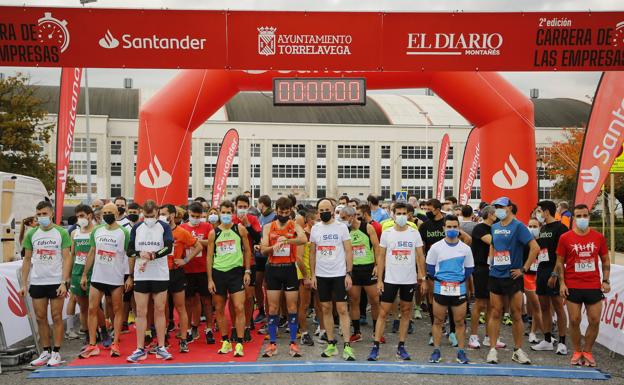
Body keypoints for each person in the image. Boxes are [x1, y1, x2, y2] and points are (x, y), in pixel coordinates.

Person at [367, 202, 426, 361]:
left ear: (409, 215)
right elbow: (381, 256)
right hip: (390, 279)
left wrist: (423, 277)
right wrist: (379, 280)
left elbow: (420, 256)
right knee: (383, 312)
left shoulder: (414, 233)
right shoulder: (387, 233)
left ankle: (401, 346)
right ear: (393, 214)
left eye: (404, 213)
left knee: (406, 312)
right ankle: (375, 346)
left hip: (409, 279)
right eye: (398, 213)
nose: (401, 216)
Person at [486, 197, 539, 365]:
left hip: (513, 277)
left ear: (509, 207)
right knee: (495, 312)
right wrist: (491, 261)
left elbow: (535, 247)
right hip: (496, 275)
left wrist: (523, 269)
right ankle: (493, 350)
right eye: (496, 207)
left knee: (516, 314)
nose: (498, 209)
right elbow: (493, 245)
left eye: (501, 206)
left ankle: (517, 350)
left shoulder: (518, 226)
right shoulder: (494, 227)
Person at [556, 204, 610, 367]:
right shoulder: (565, 238)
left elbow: (605, 259)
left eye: (584, 215)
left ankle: (587, 351)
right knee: (574, 320)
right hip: (573, 284)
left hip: (593, 284)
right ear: (573, 219)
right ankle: (577, 351)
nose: (582, 219)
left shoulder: (598, 237)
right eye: (578, 216)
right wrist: (562, 283)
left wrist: (606, 280)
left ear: (589, 216)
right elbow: (559, 263)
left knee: (594, 320)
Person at [20, 201, 72, 367]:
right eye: (39, 214)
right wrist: (24, 283)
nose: (41, 217)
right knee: (41, 318)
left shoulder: (61, 232)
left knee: (57, 317)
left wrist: (64, 282)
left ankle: (56, 353)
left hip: (56, 281)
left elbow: (67, 258)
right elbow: (27, 259)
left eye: (44, 214)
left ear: (51, 214)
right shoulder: (31, 234)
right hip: (38, 281)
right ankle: (45, 351)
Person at [79, 203, 132, 358]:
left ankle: (115, 343)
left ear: (117, 214)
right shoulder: (97, 230)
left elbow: (129, 255)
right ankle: (93, 345)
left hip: (115, 277)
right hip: (98, 276)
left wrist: (129, 276)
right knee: (92, 309)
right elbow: (92, 252)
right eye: (105, 212)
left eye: (110, 212)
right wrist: (84, 274)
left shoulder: (124, 232)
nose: (107, 214)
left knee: (117, 310)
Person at [126, 200, 174, 363]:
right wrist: (140, 253)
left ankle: (161, 347)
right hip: (142, 275)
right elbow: (130, 250)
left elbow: (168, 246)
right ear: (142, 213)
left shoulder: (164, 226)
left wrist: (154, 255)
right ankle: (140, 348)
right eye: (146, 216)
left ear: (157, 212)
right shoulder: (137, 227)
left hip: (160, 274)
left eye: (152, 216)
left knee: (160, 310)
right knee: (141, 312)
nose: (149, 219)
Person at [260, 197, 308, 358]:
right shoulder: (268, 227)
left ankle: (293, 343)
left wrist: (288, 240)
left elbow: (303, 239)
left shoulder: (294, 225)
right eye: (281, 212)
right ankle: (272, 344)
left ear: (290, 212)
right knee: (273, 308)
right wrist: (274, 247)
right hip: (273, 269)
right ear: (276, 211)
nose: (284, 215)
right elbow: (263, 250)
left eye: (287, 213)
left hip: (289, 269)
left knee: (292, 308)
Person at [310, 198, 355, 361]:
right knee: (326, 308)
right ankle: (331, 343)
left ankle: (348, 346)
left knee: (342, 309)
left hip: (339, 274)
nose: (324, 213)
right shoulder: (315, 229)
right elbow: (312, 253)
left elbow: (349, 251)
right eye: (321, 210)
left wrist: (349, 273)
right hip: (322, 275)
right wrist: (313, 275)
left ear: (333, 209)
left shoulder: (342, 227)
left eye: (327, 209)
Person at [207, 200, 252, 357]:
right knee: (219, 309)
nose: (225, 215)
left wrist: (247, 271)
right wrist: (210, 279)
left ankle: (239, 343)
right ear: (219, 213)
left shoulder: (239, 229)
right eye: (223, 212)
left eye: (228, 212)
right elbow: (209, 257)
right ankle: (225, 341)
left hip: (236, 273)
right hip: (218, 273)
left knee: (239, 307)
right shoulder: (214, 233)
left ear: (233, 213)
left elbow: (247, 250)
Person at [427, 215, 474, 364]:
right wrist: (443, 281)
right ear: (444, 228)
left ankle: (461, 352)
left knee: (460, 321)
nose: (452, 229)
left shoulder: (465, 248)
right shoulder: (436, 247)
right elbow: (430, 268)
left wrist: (457, 281)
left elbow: (468, 269)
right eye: (449, 227)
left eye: (455, 227)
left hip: (458, 289)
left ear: (459, 228)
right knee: (438, 321)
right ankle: (436, 350)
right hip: (441, 288)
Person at [160, 204, 202, 353]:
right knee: (162, 308)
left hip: (176, 273)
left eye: (165, 214)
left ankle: (183, 339)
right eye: (161, 214)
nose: (163, 216)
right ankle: (162, 338)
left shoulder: (181, 232)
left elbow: (198, 247)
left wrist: (185, 260)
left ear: (172, 215)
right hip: (161, 273)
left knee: (180, 307)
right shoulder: (157, 231)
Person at [531, 200, 569, 355]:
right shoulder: (543, 228)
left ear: (546, 212)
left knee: (558, 307)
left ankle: (562, 342)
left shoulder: (561, 228)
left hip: (555, 272)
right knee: (544, 306)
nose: (537, 214)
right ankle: (547, 340)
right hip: (541, 270)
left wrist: (555, 274)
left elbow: (562, 255)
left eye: (539, 211)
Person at [340, 206, 380, 343]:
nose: (342, 221)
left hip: (368, 268)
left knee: (375, 300)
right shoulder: (344, 231)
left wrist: (377, 265)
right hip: (353, 270)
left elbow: (377, 248)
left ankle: (377, 331)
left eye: (344, 218)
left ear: (352, 216)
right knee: (354, 301)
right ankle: (357, 332)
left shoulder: (367, 227)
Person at [468, 206, 504, 349]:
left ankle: (490, 337)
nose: (500, 215)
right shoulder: (480, 228)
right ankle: (473, 336)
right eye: (497, 213)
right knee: (480, 303)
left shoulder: (496, 228)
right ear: (489, 214)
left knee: (493, 305)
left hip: (495, 268)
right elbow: (495, 241)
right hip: (481, 268)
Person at [180, 202, 216, 345]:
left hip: (203, 269)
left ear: (202, 215)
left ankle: (208, 329)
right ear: (188, 213)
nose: (195, 219)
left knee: (207, 301)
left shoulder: (207, 227)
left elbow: (212, 242)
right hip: (187, 269)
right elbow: (179, 243)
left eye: (198, 216)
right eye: (192, 216)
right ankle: (188, 329)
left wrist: (196, 241)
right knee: (188, 301)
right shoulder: (183, 227)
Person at [233, 195, 262, 342]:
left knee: (249, 296)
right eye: (240, 206)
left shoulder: (253, 219)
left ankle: (247, 322)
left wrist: (248, 226)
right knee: (234, 297)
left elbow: (258, 238)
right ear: (235, 206)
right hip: (233, 263)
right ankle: (234, 326)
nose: (242, 209)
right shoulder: (230, 219)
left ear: (249, 207)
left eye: (245, 207)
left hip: (249, 262)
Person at [68, 205, 95, 343]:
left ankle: (101, 330)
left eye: (82, 216)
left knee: (93, 307)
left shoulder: (96, 231)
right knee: (83, 307)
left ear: (90, 215)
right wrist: (68, 275)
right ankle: (87, 333)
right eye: (78, 216)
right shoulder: (74, 233)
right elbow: (72, 255)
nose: (80, 219)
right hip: (77, 274)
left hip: (93, 274)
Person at [255, 194, 275, 324]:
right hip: (259, 255)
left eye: (258, 203)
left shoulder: (274, 217)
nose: (258, 206)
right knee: (257, 283)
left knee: (267, 285)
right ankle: (261, 310)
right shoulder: (260, 217)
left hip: (269, 255)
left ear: (262, 204)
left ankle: (270, 313)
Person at [524, 218, 544, 345]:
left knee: (539, 305)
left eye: (535, 226)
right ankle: (535, 331)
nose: (532, 228)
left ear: (540, 227)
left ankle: (535, 331)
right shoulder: (524, 242)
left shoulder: (544, 242)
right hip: (527, 277)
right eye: (530, 226)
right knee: (535, 304)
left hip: (541, 276)